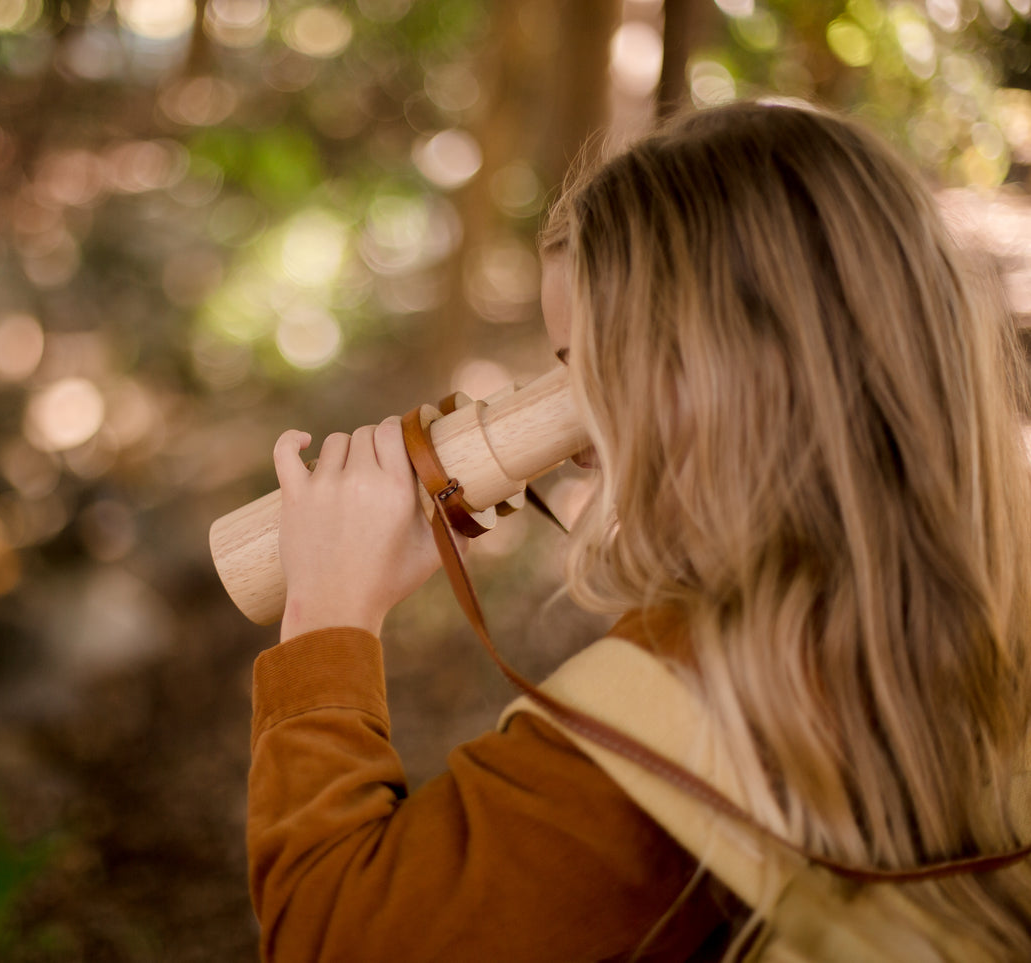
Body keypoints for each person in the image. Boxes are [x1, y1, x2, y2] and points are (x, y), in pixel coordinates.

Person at [247, 101, 1031, 961]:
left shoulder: (703, 700)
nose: (575, 434)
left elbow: (334, 937)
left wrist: (327, 621)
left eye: (587, 369)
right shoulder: (984, 592)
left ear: (721, 370)